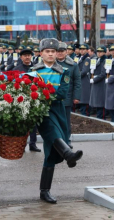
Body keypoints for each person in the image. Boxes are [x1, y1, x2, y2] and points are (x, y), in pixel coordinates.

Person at [29, 38, 83, 204]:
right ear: (41, 53)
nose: (51, 54)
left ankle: (45, 191)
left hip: (57, 110)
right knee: (51, 130)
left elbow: (62, 93)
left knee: (50, 152)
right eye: (47, 51)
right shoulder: (33, 71)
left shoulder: (63, 71)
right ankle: (67, 153)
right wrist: (44, 94)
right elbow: (30, 91)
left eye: (53, 51)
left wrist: (42, 92)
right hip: (41, 111)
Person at [11, 48, 41, 152]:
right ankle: (21, 144)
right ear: (21, 57)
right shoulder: (17, 69)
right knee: (22, 123)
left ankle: (32, 144)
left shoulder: (36, 68)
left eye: (29, 55)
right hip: (21, 98)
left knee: (33, 122)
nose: (27, 57)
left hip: (33, 98)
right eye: (25, 55)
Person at [58, 42, 81, 148]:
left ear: (66, 52)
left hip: (67, 96)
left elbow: (77, 82)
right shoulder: (52, 64)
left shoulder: (72, 65)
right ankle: (57, 140)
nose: (60, 53)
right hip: (54, 96)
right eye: (58, 51)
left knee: (66, 120)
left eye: (62, 51)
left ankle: (67, 140)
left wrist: (76, 97)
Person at [89, 46, 107, 119]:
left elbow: (103, 73)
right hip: (96, 83)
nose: (99, 53)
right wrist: (91, 73)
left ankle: (102, 117)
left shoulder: (105, 60)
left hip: (101, 83)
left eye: (101, 52)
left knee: (100, 102)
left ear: (104, 53)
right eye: (98, 52)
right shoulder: (96, 59)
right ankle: (99, 116)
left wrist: (95, 79)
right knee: (97, 101)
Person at [77, 44, 91, 116]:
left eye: (84, 49)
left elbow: (84, 71)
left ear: (87, 50)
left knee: (84, 102)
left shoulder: (87, 59)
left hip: (84, 81)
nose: (82, 50)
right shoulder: (80, 58)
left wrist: (76, 75)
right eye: (81, 49)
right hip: (80, 81)